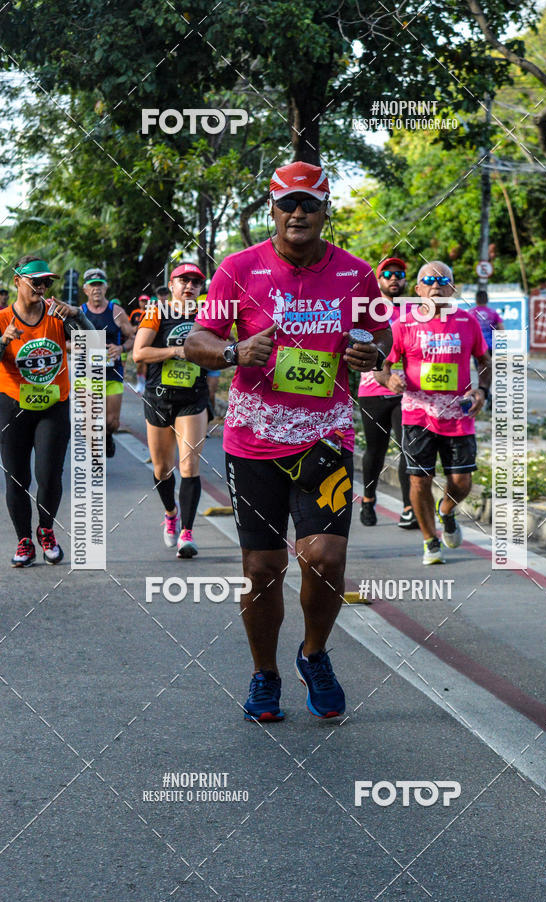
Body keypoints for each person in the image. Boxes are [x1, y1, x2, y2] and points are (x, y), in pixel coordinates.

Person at [185, 160, 391, 722]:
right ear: (272, 210)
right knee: (262, 567)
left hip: (324, 435)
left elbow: (382, 333)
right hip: (253, 439)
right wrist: (233, 351)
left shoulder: (355, 274)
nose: (297, 213)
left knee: (324, 556)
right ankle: (264, 674)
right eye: (287, 204)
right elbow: (199, 337)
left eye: (310, 204)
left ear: (327, 211)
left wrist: (375, 352)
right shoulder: (239, 269)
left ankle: (314, 653)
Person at [384, 261, 491, 565]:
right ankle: (430, 539)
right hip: (417, 415)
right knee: (419, 480)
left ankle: (446, 510)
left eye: (443, 280)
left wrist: (482, 391)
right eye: (428, 280)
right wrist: (390, 379)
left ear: (453, 288)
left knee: (462, 481)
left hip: (459, 414)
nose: (436, 285)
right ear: (418, 290)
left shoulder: (467, 322)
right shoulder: (403, 325)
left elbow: (485, 361)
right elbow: (384, 365)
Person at [0, 255, 94, 566]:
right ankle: (24, 541)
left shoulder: (58, 316)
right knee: (17, 478)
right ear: (17, 281)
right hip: (12, 406)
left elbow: (93, 342)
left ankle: (46, 530)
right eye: (35, 281)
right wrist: (4, 341)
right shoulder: (2, 319)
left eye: (46, 282)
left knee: (49, 476)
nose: (41, 287)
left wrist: (78, 315)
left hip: (53, 405)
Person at [132, 262, 209, 559]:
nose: (189, 286)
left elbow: (223, 346)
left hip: (193, 398)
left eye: (196, 282)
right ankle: (170, 512)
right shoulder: (156, 313)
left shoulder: (208, 315)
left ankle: (187, 533)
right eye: (183, 281)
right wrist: (177, 351)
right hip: (159, 396)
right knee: (163, 469)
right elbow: (139, 352)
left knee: (189, 465)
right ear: (172, 285)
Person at [358, 256, 416, 529]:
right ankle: (368, 499)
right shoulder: (368, 309)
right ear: (379, 280)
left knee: (408, 449)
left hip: (408, 391)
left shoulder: (416, 311)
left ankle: (409, 508)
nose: (394, 278)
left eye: (399, 274)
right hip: (372, 389)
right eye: (388, 274)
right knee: (375, 450)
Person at [80, 268, 136, 457]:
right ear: (85, 289)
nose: (96, 289)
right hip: (87, 374)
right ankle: (95, 457)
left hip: (112, 373)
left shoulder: (116, 311)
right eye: (92, 285)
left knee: (112, 422)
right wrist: (81, 345)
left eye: (99, 285)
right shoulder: (80, 312)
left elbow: (133, 338)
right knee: (90, 420)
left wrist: (121, 348)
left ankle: (107, 436)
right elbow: (66, 342)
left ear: (106, 287)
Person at [471, 288, 504, 410]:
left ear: (476, 300)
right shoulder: (493, 313)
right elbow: (501, 330)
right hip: (490, 347)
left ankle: (485, 396)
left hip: (476, 347)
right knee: (487, 372)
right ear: (487, 299)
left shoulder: (471, 313)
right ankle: (486, 395)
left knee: (481, 372)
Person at [129, 294, 150, 393]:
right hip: (137, 340)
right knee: (138, 363)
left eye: (146, 301)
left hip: (148, 341)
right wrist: (133, 330)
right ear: (139, 302)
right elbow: (129, 326)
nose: (144, 303)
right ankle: (139, 383)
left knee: (145, 363)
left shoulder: (151, 312)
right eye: (142, 301)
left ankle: (143, 384)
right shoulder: (135, 313)